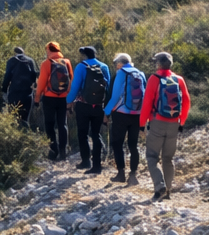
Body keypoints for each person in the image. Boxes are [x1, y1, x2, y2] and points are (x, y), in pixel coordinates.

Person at [139, 51, 191, 202]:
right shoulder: (179, 79)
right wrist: (182, 121)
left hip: (157, 123)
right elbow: (186, 102)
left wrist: (142, 125)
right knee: (168, 158)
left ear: (158, 64)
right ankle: (168, 191)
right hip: (174, 123)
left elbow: (147, 103)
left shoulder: (154, 79)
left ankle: (159, 186)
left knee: (151, 156)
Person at [67, 46, 111, 174]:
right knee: (96, 134)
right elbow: (107, 88)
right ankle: (97, 166)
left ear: (84, 55)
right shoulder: (104, 66)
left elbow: (75, 86)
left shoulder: (81, 66)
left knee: (83, 133)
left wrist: (69, 102)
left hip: (83, 105)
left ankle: (86, 161)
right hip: (99, 105)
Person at [104, 53, 146, 185]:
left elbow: (115, 96)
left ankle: (121, 173)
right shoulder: (141, 74)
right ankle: (133, 175)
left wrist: (106, 112)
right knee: (133, 145)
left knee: (117, 144)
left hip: (121, 114)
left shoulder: (121, 73)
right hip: (137, 115)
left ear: (119, 63)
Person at [34, 41, 73, 160]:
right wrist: (69, 98)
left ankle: (53, 150)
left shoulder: (46, 63)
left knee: (49, 125)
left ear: (49, 50)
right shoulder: (66, 62)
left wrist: (37, 98)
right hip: (63, 98)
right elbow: (71, 80)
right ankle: (63, 152)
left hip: (49, 98)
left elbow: (41, 82)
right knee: (63, 125)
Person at [2, 46, 38, 125]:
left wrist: (4, 90)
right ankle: (24, 135)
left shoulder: (11, 61)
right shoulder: (30, 61)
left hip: (14, 93)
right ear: (23, 52)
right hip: (27, 94)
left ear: (15, 53)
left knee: (13, 118)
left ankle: (13, 135)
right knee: (25, 120)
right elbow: (34, 77)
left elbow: (7, 76)